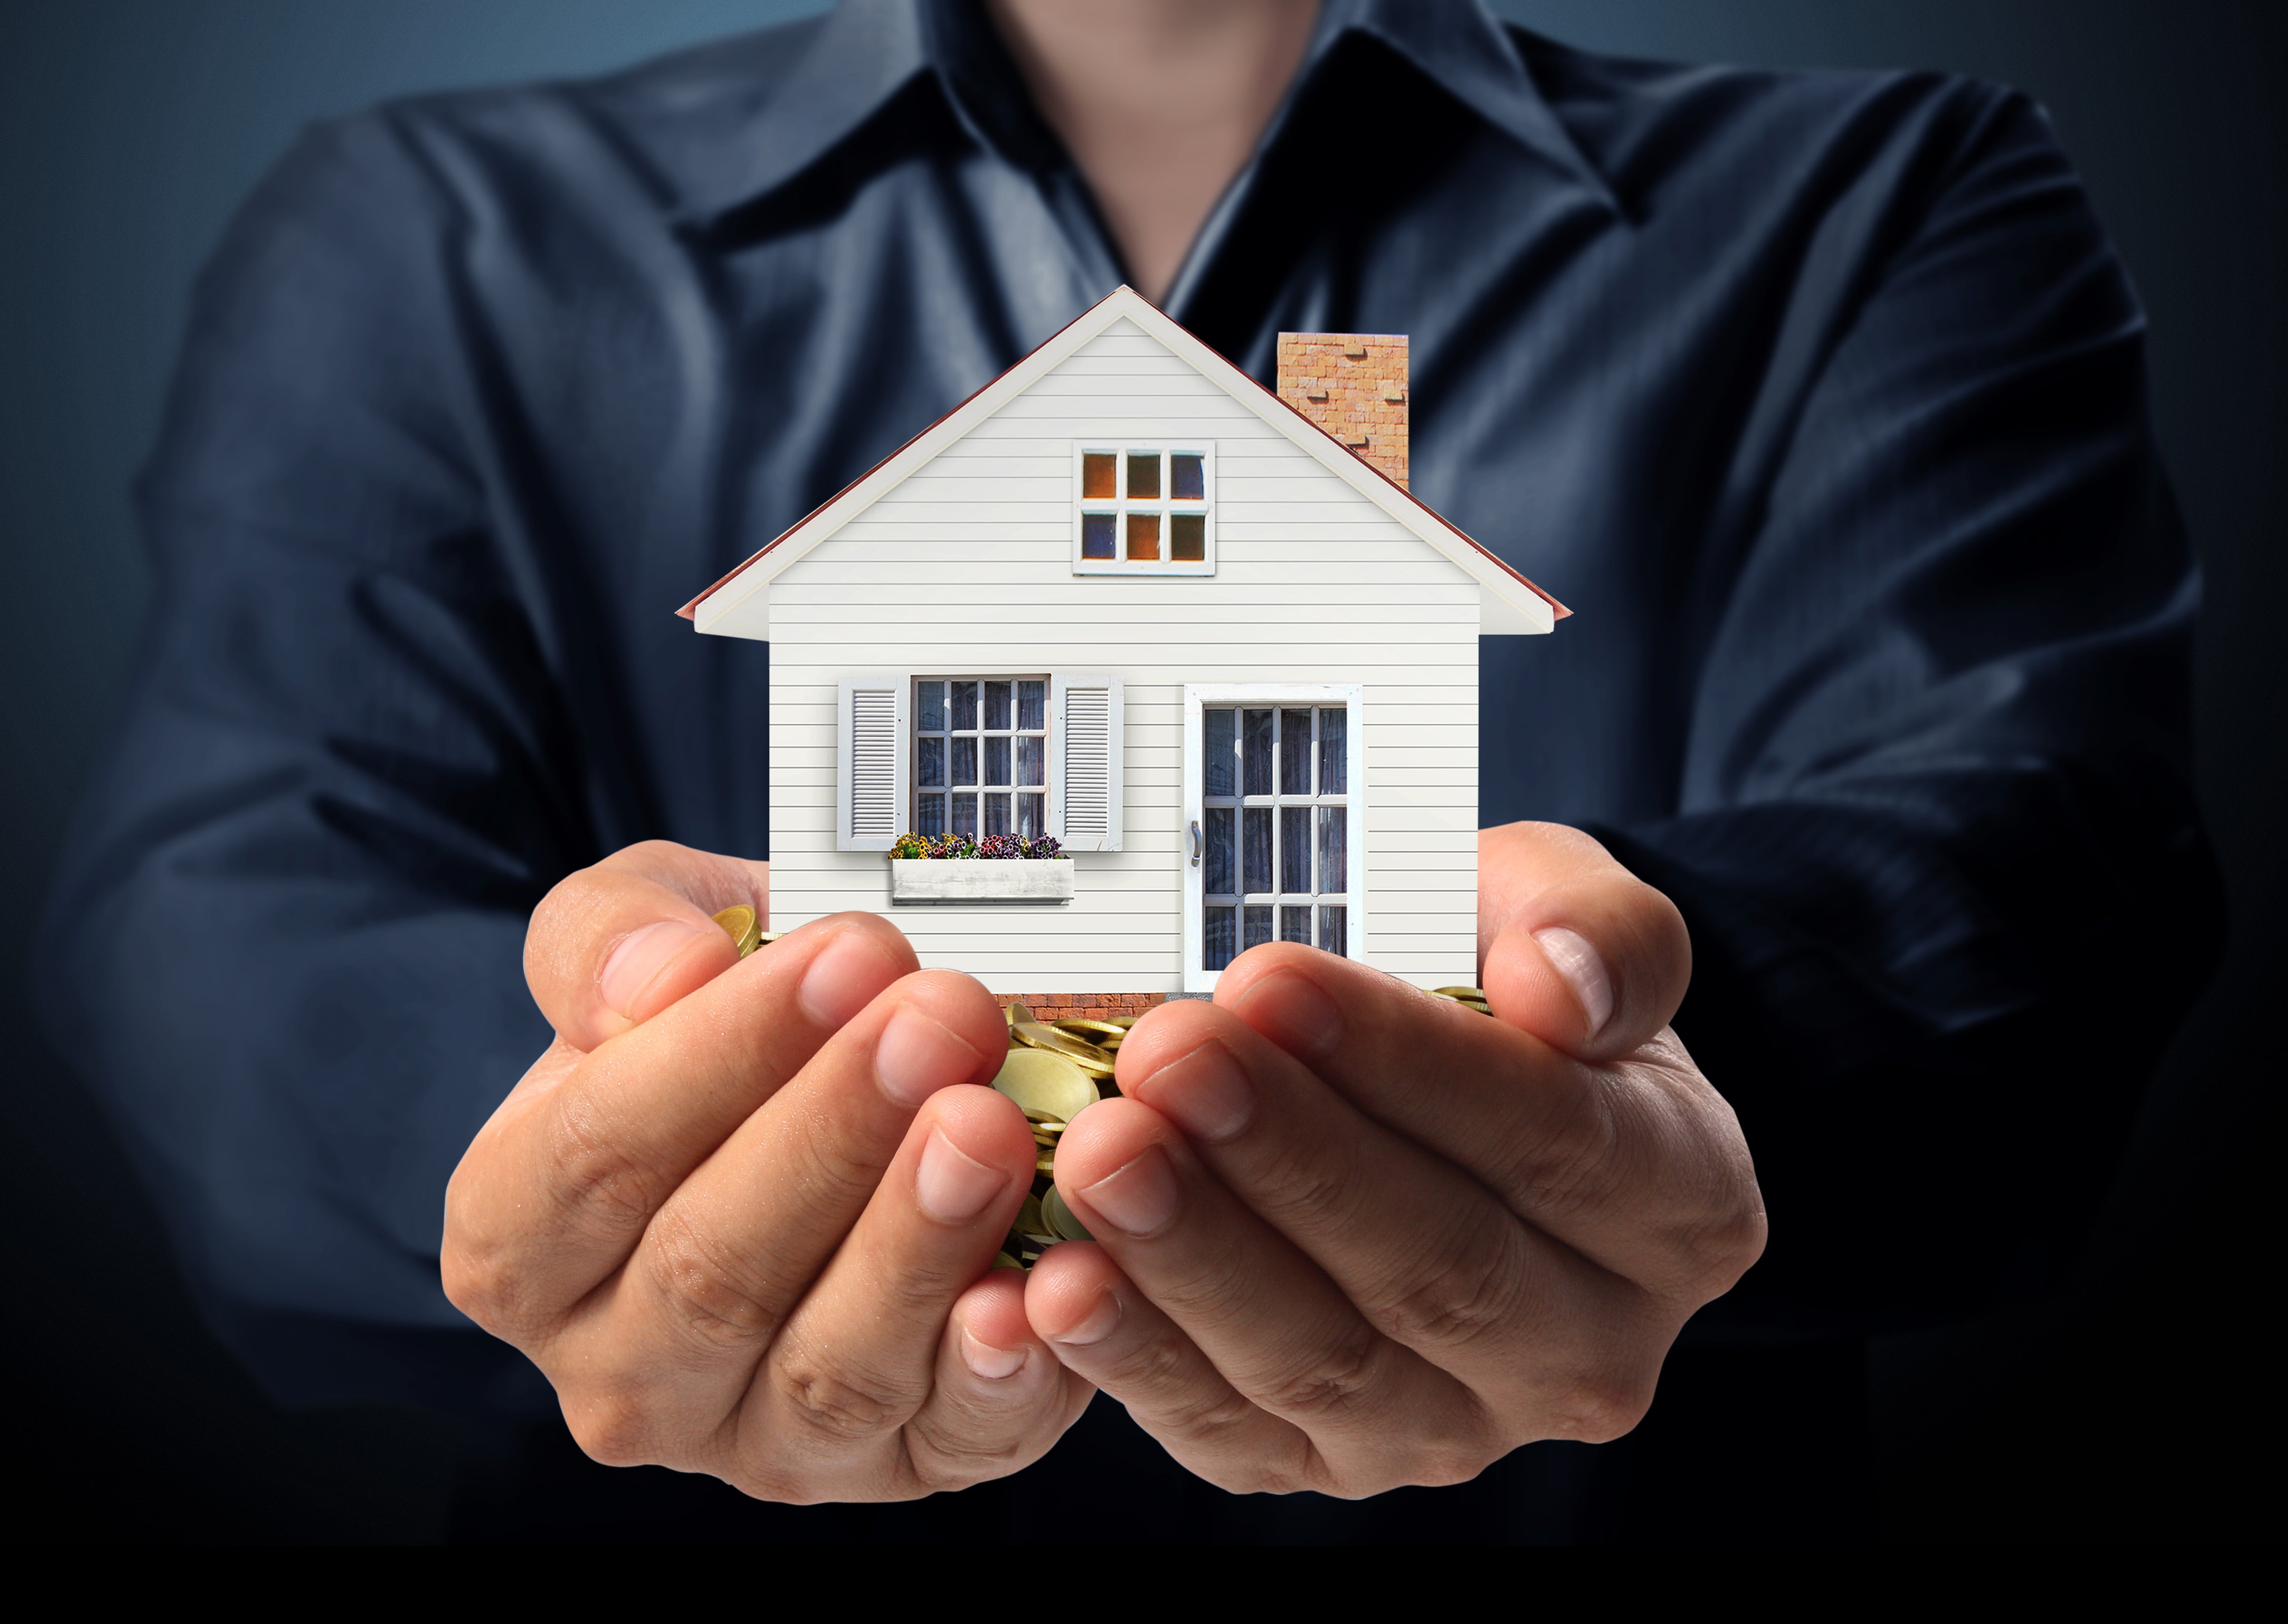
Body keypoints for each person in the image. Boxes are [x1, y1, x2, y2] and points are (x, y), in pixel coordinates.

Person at [38, 0, 2218, 1544]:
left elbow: (2038, 864)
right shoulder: (435, 227)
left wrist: (1590, 1054)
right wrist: (631, 1118)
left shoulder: (1879, 192)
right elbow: (224, 928)